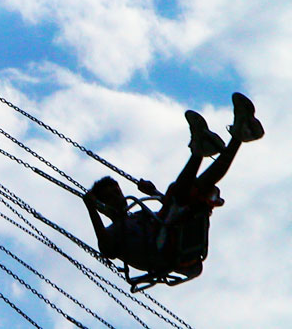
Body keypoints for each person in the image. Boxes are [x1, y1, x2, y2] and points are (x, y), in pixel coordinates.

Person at [83, 92, 264, 283]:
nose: (118, 197)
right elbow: (106, 247)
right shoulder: (114, 232)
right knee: (177, 192)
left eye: (117, 191)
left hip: (174, 237)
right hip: (164, 251)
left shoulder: (138, 216)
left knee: (200, 186)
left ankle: (239, 135)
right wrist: (90, 208)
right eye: (110, 196)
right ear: (103, 206)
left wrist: (153, 193)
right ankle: (199, 150)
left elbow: (165, 212)